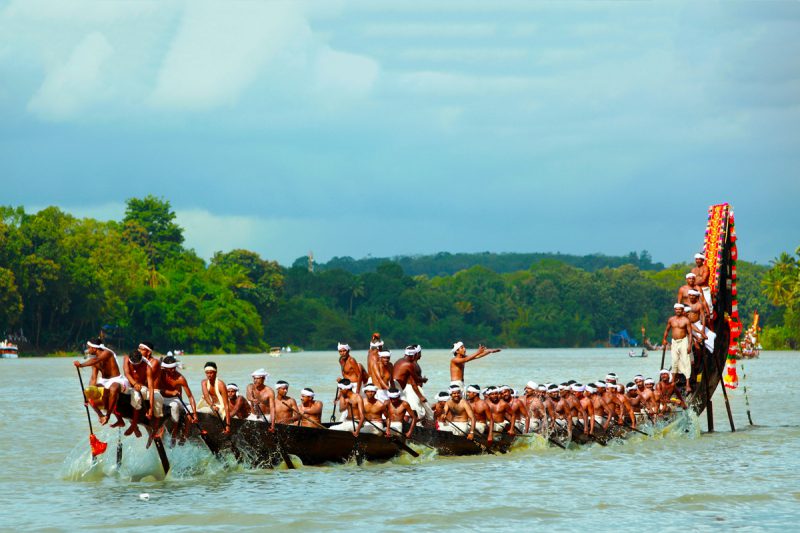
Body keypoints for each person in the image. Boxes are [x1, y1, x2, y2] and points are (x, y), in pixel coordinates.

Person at [75, 338, 127, 428]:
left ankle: (108, 416)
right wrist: (88, 395)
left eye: (89, 348)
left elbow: (96, 360)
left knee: (113, 388)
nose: (88, 350)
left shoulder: (107, 353)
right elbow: (93, 378)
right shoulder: (94, 360)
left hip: (116, 380)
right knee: (88, 392)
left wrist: (81, 365)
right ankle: (101, 415)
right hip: (104, 381)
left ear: (95, 348)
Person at [157, 355, 198, 443]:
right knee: (173, 405)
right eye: (170, 368)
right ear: (164, 368)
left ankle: (184, 434)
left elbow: (190, 396)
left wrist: (194, 414)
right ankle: (163, 431)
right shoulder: (160, 373)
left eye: (174, 368)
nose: (173, 370)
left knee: (188, 407)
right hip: (161, 398)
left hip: (175, 399)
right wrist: (171, 392)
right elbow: (155, 389)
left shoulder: (180, 378)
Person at [392, 345, 433, 421]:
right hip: (398, 387)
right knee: (406, 408)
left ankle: (403, 424)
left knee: (403, 408)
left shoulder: (399, 360)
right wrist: (424, 380)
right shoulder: (409, 364)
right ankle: (405, 426)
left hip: (395, 386)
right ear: (414, 355)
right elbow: (415, 380)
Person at [663, 303, 694, 392]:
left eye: (680, 309)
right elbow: (667, 330)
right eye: (676, 309)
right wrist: (664, 339)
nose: (678, 311)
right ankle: (672, 382)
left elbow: (690, 333)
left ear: (682, 310)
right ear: (674, 310)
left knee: (686, 361)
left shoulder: (686, 320)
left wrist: (689, 345)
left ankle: (687, 384)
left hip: (683, 341)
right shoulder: (671, 320)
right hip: (674, 342)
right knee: (674, 361)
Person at [198, 361, 231, 435]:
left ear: (216, 372)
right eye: (207, 373)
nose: (209, 375)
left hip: (220, 408)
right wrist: (212, 405)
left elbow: (226, 405)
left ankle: (205, 429)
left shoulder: (221, 385)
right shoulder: (204, 382)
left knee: (202, 412)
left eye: (211, 373)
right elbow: (206, 397)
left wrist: (228, 425)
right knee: (194, 412)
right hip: (212, 406)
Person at [122, 349, 147, 437]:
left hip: (141, 387)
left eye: (137, 364)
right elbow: (127, 373)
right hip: (129, 384)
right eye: (133, 364)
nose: (135, 366)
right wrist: (134, 384)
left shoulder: (146, 363)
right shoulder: (126, 358)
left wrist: (137, 385)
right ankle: (132, 425)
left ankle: (133, 425)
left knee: (136, 398)